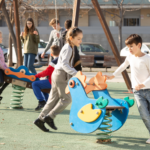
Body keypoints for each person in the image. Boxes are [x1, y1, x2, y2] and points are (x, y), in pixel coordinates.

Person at [34, 27, 83, 132]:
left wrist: (75, 73)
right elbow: (65, 64)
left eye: (81, 38)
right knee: (67, 99)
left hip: (57, 74)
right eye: (78, 39)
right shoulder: (69, 48)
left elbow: (65, 64)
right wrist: (76, 73)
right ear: (71, 38)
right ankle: (50, 117)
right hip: (61, 75)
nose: (80, 41)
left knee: (53, 99)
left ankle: (40, 119)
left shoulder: (69, 47)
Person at [106, 34, 150, 144]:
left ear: (139, 45)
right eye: (127, 47)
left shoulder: (147, 58)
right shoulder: (130, 57)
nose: (129, 49)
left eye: (131, 46)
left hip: (149, 90)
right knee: (144, 115)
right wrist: (113, 75)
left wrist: (143, 84)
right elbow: (123, 66)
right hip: (137, 92)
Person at [32, 45, 60, 111]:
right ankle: (48, 103)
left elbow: (46, 72)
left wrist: (36, 76)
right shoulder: (61, 60)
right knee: (43, 87)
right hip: (58, 81)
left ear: (51, 54)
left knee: (35, 84)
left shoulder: (54, 62)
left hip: (53, 82)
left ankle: (41, 101)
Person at [0, 31, 9, 103]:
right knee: (0, 82)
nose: (1, 38)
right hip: (0, 69)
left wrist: (7, 67)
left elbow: (2, 61)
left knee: (9, 79)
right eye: (0, 37)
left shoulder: (0, 48)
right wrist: (5, 68)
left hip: (1, 68)